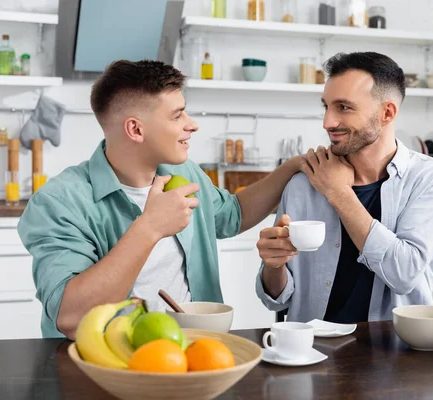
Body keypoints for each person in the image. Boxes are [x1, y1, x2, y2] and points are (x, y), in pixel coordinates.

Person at [18, 60, 303, 339]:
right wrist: (150, 227)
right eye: (177, 115)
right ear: (136, 130)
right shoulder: (59, 202)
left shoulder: (183, 170)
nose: (192, 125)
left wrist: (292, 167)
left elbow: (232, 215)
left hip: (194, 352)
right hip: (107, 367)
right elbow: (71, 318)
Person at [255, 52, 433, 324]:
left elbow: (404, 273)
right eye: (326, 106)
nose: (328, 122)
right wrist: (274, 265)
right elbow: (278, 299)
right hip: (312, 350)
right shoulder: (303, 184)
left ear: (387, 113)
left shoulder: (432, 179)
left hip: (397, 353)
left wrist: (338, 193)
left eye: (344, 107)